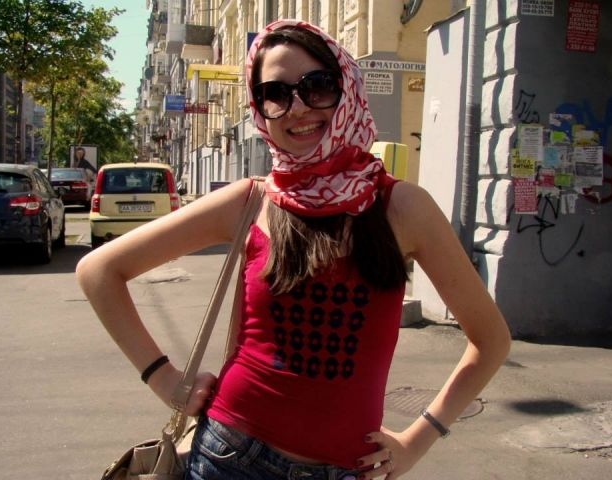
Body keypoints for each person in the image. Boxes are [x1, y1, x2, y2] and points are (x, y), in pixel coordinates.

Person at [76, 19, 510, 480]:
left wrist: (418, 440)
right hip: (229, 458)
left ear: (346, 87)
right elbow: (99, 270)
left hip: (346, 470)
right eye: (276, 94)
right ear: (260, 109)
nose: (297, 107)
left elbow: (491, 341)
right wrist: (164, 378)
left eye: (316, 86)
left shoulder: (401, 206)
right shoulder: (251, 201)